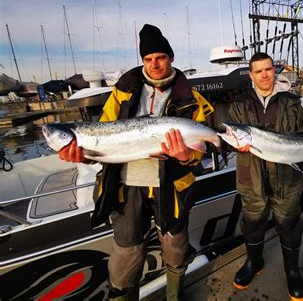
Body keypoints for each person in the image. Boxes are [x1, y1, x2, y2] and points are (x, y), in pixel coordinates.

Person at [58, 24, 214, 301]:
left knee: (175, 245)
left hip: (172, 185)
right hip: (125, 186)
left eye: (160, 57)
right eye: (148, 59)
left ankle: (174, 295)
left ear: (171, 58)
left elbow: (202, 148)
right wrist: (82, 153)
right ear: (142, 61)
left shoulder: (193, 98)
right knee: (126, 252)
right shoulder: (122, 91)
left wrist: (186, 155)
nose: (154, 64)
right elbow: (104, 133)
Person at [228, 52, 303, 300]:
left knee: (289, 225)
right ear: (251, 75)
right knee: (252, 225)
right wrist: (236, 145)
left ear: (274, 71)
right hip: (252, 180)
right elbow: (231, 139)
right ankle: (253, 263)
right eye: (258, 71)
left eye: (268, 69)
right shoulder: (239, 104)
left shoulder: (292, 102)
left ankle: (291, 270)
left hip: (287, 179)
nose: (265, 75)